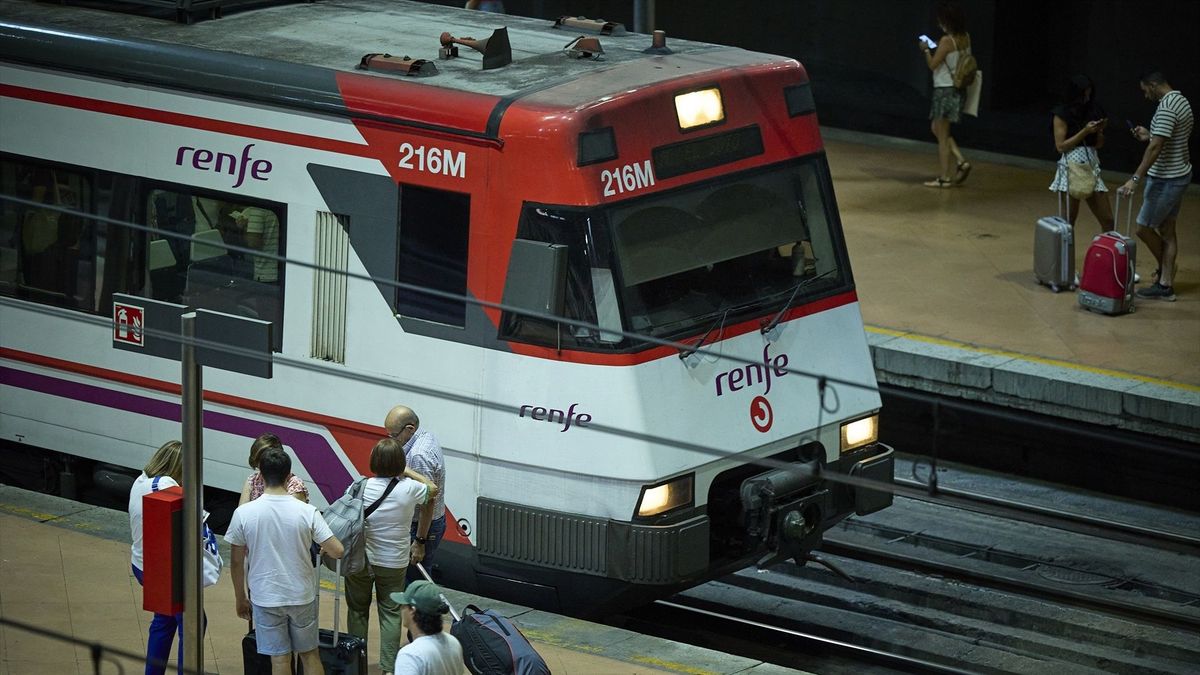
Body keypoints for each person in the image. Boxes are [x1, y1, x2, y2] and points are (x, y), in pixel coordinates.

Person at [226, 447, 345, 675]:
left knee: (279, 660)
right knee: (310, 655)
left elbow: (236, 562)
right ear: (289, 475)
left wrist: (240, 598)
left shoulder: (244, 513)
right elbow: (338, 550)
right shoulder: (307, 511)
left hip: (265, 596)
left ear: (259, 474)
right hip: (301, 595)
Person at [346, 438, 433, 673]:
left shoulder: (359, 486)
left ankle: (356, 665)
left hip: (360, 560)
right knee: (391, 613)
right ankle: (387, 668)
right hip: (393, 562)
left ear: (374, 461)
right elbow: (432, 490)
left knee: (357, 610)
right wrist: (406, 471)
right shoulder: (410, 488)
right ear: (400, 462)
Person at [1119, 71, 1193, 301]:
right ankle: (1166, 282)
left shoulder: (1166, 107)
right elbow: (1164, 139)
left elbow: (1156, 148)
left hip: (1165, 179)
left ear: (1153, 85)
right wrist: (1149, 135)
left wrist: (1135, 178)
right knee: (1167, 230)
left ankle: (1166, 275)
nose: (1145, 96)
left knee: (1143, 227)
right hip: (1179, 174)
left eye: (1145, 90)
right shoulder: (1181, 100)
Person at [128, 441, 193, 675]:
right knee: (193, 623)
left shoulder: (141, 480)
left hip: (142, 563)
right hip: (160, 570)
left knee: (164, 620)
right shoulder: (165, 485)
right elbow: (186, 520)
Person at [384, 405, 447, 584]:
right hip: (431, 522)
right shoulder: (426, 435)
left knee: (415, 583)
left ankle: (418, 612)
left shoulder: (418, 456)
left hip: (421, 527)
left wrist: (419, 541)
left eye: (394, 435)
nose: (392, 440)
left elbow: (427, 501)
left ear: (409, 429)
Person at [1049, 75, 1114, 245]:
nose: (1086, 98)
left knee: (1107, 219)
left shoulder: (1094, 109)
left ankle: (1107, 258)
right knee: (1068, 221)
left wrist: (1099, 131)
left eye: (1089, 94)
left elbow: (1099, 144)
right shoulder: (1061, 113)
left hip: (1092, 164)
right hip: (1071, 165)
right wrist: (1084, 132)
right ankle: (1065, 264)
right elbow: (1061, 146)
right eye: (1083, 94)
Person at [919, 0, 973, 188]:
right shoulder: (965, 37)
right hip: (958, 90)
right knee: (937, 128)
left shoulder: (946, 41)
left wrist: (926, 50)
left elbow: (933, 65)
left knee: (942, 136)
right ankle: (961, 161)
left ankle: (944, 177)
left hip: (944, 91)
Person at [391, 581, 464, 675]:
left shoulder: (410, 655)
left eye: (404, 605)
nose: (401, 609)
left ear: (412, 610)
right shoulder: (453, 642)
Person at [239, 432, 310, 504]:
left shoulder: (295, 485)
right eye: (260, 460)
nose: (266, 463)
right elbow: (242, 511)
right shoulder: (252, 480)